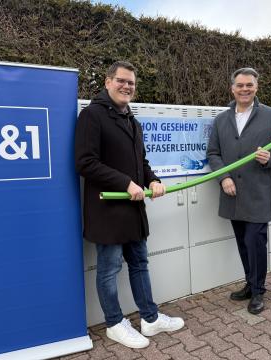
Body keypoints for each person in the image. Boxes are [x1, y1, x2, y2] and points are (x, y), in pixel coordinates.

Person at [75, 61, 184, 349]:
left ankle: (150, 318)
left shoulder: (131, 121)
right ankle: (114, 323)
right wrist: (125, 183)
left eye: (131, 83)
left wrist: (153, 180)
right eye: (121, 81)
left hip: (133, 210)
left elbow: (142, 164)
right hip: (107, 211)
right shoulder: (92, 116)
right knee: (109, 269)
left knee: (139, 264)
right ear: (108, 81)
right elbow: (85, 163)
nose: (127, 87)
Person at [206, 67, 271, 315]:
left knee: (255, 243)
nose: (244, 89)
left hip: (257, 194)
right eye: (240, 85)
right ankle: (250, 284)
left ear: (256, 87)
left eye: (249, 85)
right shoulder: (221, 120)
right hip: (231, 193)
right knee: (243, 243)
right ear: (232, 88)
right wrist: (224, 178)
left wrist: (269, 158)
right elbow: (213, 153)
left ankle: (258, 291)